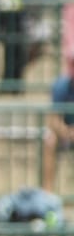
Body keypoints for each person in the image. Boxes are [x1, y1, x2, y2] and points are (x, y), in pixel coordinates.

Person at [44, 50, 74, 191]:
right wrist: (67, 132)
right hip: (65, 133)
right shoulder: (61, 85)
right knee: (50, 140)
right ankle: (48, 192)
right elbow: (53, 119)